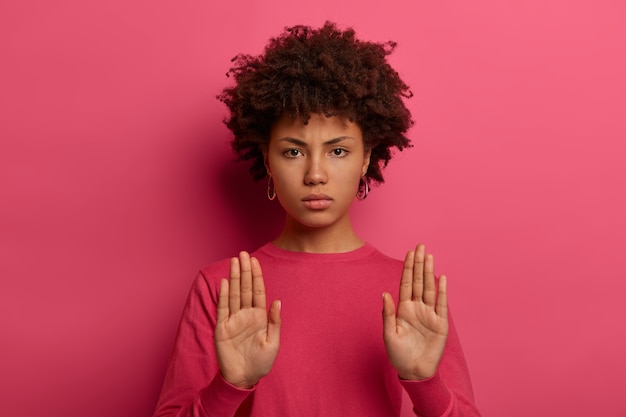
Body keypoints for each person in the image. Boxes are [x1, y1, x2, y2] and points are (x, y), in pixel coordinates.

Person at [154, 22, 480, 417]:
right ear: (266, 160)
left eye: (337, 151)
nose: (315, 174)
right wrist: (231, 385)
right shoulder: (222, 287)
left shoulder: (409, 291)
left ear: (365, 158)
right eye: (293, 152)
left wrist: (423, 382)